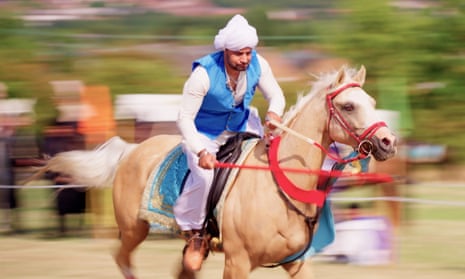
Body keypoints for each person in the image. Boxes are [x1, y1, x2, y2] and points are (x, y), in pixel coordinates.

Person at [175, 14, 286, 271]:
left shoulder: (259, 64)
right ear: (226, 50)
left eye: (248, 52)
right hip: (204, 134)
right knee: (203, 177)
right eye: (239, 54)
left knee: (271, 156)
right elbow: (184, 118)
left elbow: (276, 95)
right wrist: (201, 150)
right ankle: (196, 235)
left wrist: (274, 114)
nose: (245, 59)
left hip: (242, 125)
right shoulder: (203, 74)